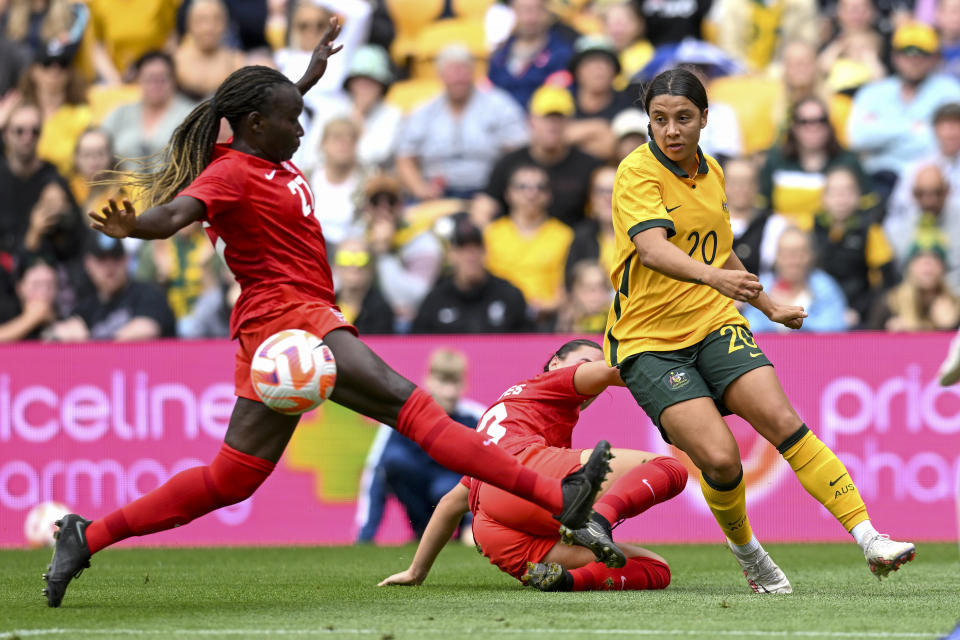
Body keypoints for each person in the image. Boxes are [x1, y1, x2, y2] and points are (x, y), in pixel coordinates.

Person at [42, 19, 612, 608]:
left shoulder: (262, 145)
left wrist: (308, 77)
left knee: (230, 479)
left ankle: (88, 535)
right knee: (412, 407)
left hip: (289, 324)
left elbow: (269, 106)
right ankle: (557, 495)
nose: (300, 127)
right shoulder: (231, 172)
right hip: (289, 317)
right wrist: (136, 225)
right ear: (257, 125)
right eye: (292, 119)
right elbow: (178, 213)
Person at [605, 67, 915, 594]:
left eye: (683, 118)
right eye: (660, 120)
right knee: (723, 460)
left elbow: (719, 249)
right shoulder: (636, 173)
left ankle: (870, 538)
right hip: (649, 342)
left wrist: (768, 306)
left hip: (714, 319)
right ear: (649, 123)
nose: (671, 130)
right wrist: (716, 278)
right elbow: (653, 248)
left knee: (784, 423)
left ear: (705, 119)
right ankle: (749, 553)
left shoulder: (714, 172)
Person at [378, 339, 688, 592]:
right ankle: (598, 522)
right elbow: (619, 370)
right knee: (671, 469)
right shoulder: (549, 383)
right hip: (528, 474)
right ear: (555, 363)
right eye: (584, 363)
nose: (590, 373)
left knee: (656, 570)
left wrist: (416, 571)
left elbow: (451, 503)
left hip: (495, 528)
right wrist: (687, 376)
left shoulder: (512, 413)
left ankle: (568, 581)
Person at [356, 348, 483, 542]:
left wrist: (473, 524)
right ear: (429, 380)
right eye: (443, 381)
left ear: (464, 383)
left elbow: (490, 475)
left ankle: (454, 535)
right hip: (419, 504)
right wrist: (365, 536)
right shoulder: (404, 417)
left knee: (446, 487)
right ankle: (423, 533)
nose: (449, 391)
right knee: (394, 460)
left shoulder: (476, 418)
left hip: (454, 505)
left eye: (455, 382)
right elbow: (375, 472)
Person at [395, 44, 528, 201]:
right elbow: (405, 157)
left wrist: (499, 190)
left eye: (463, 71)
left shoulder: (500, 106)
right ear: (441, 76)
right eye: (452, 72)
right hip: (435, 193)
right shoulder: (424, 112)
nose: (458, 78)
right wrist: (420, 189)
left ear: (473, 73)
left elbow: (519, 152)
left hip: (487, 192)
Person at [847, 22, 960, 193]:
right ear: (894, 56)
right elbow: (858, 137)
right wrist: (912, 127)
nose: (913, 61)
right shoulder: (873, 92)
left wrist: (883, 131)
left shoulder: (949, 90)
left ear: (934, 58)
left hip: (931, 184)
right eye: (906, 53)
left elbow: (940, 143)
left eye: (921, 54)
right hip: (878, 179)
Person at [472, 85, 603, 228]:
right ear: (531, 121)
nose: (553, 125)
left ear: (570, 122)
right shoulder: (509, 162)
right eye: (546, 118)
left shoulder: (588, 166)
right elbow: (483, 207)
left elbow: (602, 213)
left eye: (559, 118)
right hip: (518, 245)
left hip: (574, 245)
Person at [759, 96, 873, 231]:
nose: (813, 127)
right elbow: (761, 206)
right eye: (804, 121)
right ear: (794, 127)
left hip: (833, 240)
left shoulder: (848, 161)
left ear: (829, 125)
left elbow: (869, 206)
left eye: (821, 120)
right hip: (782, 240)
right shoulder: (776, 159)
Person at [483, 163, 573, 327]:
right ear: (507, 194)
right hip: (496, 319)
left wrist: (548, 306)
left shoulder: (565, 235)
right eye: (522, 187)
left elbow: (567, 289)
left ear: (549, 195)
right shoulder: (491, 233)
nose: (531, 194)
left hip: (546, 320)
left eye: (540, 187)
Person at [45, 233, 177, 342]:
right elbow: (51, 335)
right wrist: (58, 334)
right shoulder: (86, 307)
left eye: (116, 257)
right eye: (101, 259)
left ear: (126, 260)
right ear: (88, 263)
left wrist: (87, 341)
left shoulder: (148, 294)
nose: (109, 267)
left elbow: (145, 331)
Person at [412, 215, 531, 334]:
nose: (470, 256)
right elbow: (418, 343)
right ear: (451, 255)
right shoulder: (436, 299)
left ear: (486, 252)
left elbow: (530, 340)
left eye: (476, 248)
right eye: (463, 248)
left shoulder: (509, 295)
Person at [812, 166, 897, 326]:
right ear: (823, 198)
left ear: (859, 196)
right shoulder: (809, 228)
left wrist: (859, 310)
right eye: (834, 192)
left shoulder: (872, 231)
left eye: (848, 191)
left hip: (858, 313)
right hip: (817, 310)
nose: (841, 198)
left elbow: (886, 281)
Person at [742, 227, 850, 333]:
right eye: (786, 254)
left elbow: (835, 329)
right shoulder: (762, 286)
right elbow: (751, 329)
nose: (793, 261)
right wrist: (773, 309)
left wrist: (791, 317)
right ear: (776, 257)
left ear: (811, 256)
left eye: (800, 253)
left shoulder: (825, 286)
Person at [100, 52, 196, 169]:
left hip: (174, 184)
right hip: (122, 184)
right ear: (138, 80)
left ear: (174, 80)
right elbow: (98, 142)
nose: (156, 84)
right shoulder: (121, 112)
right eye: (149, 79)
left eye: (162, 79)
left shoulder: (190, 114)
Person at [487, 0, 575, 111]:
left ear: (546, 13)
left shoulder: (562, 54)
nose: (529, 18)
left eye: (535, 10)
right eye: (523, 10)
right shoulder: (499, 55)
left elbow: (560, 101)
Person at [866, 239, 960, 331]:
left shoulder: (954, 304)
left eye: (935, 258)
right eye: (919, 258)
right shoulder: (891, 303)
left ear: (943, 268)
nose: (927, 264)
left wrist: (952, 326)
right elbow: (872, 341)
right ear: (909, 267)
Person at [725, 156, 790, 279]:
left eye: (748, 182)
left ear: (757, 185)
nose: (741, 189)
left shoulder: (774, 224)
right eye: (734, 182)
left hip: (760, 292)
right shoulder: (711, 222)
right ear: (723, 185)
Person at [173, 0, 245, 99]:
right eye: (202, 20)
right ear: (189, 23)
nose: (209, 28)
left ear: (226, 23)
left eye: (217, 19)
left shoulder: (236, 61)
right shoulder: (175, 61)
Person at [332, 236, 395, 335]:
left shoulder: (381, 311)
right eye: (345, 258)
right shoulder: (326, 307)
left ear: (371, 267)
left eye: (361, 259)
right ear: (335, 266)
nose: (354, 266)